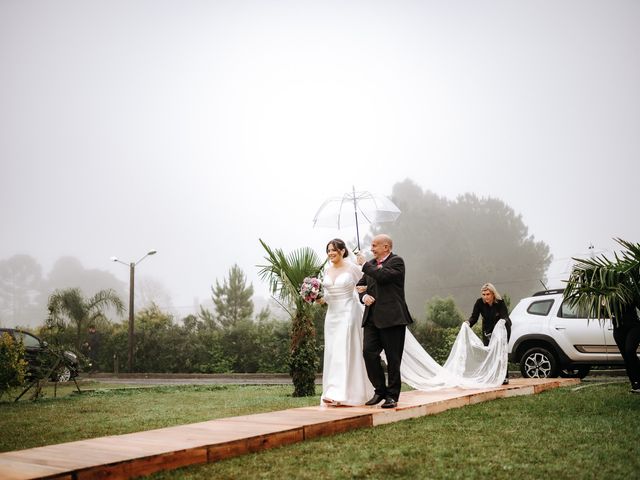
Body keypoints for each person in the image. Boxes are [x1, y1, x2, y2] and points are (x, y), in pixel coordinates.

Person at [356, 234, 413, 409]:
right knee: (368, 353)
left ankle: (392, 396)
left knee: (393, 359)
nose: (371, 248)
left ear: (386, 247)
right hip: (372, 318)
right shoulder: (372, 266)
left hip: (393, 318)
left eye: (375, 245)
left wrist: (364, 265)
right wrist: (363, 296)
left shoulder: (397, 262)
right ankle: (379, 390)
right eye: (371, 246)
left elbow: (384, 277)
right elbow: (360, 285)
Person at [317, 238, 374, 406]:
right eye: (328, 251)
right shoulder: (327, 271)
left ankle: (339, 393)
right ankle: (332, 390)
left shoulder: (352, 268)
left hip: (348, 312)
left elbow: (368, 282)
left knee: (344, 350)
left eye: (333, 250)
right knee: (333, 352)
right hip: (332, 315)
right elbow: (327, 295)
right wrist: (319, 299)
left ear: (342, 251)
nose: (330, 253)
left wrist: (365, 289)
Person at [465, 283, 511, 384]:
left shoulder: (500, 302)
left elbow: (505, 316)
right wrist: (468, 323)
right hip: (487, 330)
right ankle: (492, 376)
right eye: (484, 294)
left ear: (493, 294)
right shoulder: (479, 303)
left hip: (502, 329)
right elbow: (474, 317)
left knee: (501, 352)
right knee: (489, 352)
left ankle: (504, 376)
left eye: (488, 294)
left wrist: (502, 322)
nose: (486, 297)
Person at [612, 304, 640, 394]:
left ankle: (637, 380)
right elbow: (605, 313)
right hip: (618, 328)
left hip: (634, 326)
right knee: (626, 356)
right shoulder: (607, 293)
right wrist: (602, 306)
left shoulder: (630, 291)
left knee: (630, 351)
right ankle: (634, 383)